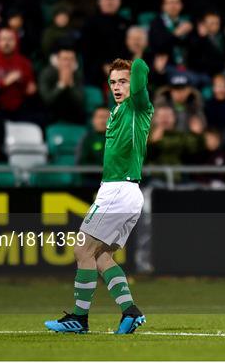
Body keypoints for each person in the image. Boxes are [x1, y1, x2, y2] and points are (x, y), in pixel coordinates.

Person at [45, 58, 153, 334]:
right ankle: (130, 311)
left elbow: (141, 69)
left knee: (82, 249)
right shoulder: (117, 111)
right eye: (113, 82)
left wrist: (137, 54)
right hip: (124, 191)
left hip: (118, 190)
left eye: (123, 81)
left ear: (134, 85)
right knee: (102, 256)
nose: (117, 87)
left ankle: (79, 319)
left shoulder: (137, 106)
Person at [0, 27, 37, 119]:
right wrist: (4, 82)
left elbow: (30, 85)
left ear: (16, 41)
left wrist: (30, 88)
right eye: (3, 39)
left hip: (20, 107)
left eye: (10, 39)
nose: (6, 43)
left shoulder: (24, 62)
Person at [38, 45, 85, 125]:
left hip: (74, 115)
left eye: (71, 59)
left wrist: (71, 85)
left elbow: (80, 101)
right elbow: (47, 100)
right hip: (51, 115)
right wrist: (61, 85)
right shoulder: (47, 73)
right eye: (65, 59)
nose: (68, 63)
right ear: (58, 60)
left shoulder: (77, 74)